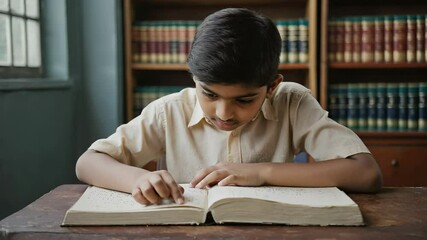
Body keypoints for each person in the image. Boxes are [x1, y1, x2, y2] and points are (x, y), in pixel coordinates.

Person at [76, 8, 383, 206]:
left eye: (244, 100)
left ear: (272, 86)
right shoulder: (168, 111)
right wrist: (137, 179)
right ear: (194, 78)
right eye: (209, 94)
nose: (223, 113)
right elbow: (87, 163)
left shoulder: (292, 101)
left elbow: (366, 173)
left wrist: (261, 172)